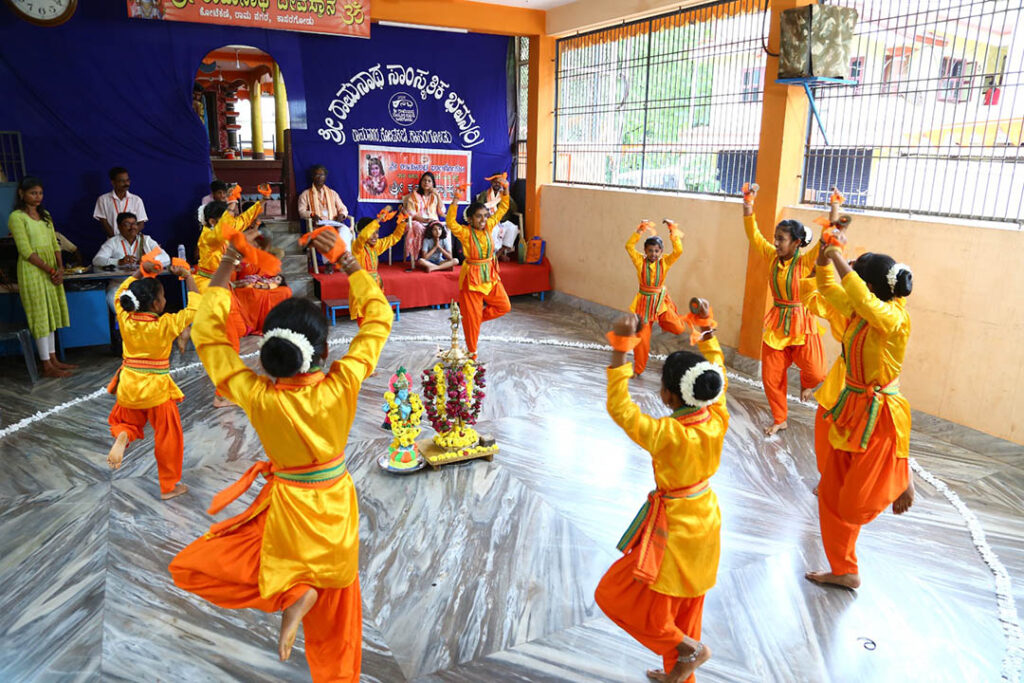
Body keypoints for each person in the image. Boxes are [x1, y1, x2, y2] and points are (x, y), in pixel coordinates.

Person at [169, 230, 393, 682]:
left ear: (268, 351)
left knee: (273, 563)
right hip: (332, 495)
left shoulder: (254, 394)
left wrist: (228, 263)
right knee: (339, 585)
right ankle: (327, 644)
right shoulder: (342, 382)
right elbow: (378, 321)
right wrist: (348, 262)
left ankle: (296, 589)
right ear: (324, 352)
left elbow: (211, 338)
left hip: (288, 500)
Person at [595, 301, 725, 683]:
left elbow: (621, 409)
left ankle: (689, 650)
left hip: (677, 531)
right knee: (686, 610)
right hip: (707, 518)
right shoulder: (717, 417)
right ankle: (681, 671)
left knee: (615, 596)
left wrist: (621, 345)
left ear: (668, 396)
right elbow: (719, 372)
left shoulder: (669, 435)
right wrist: (704, 324)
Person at [805, 232, 915, 590]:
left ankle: (900, 476)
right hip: (850, 410)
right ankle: (845, 570)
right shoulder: (859, 309)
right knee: (832, 497)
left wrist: (839, 258)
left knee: (853, 506)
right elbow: (825, 285)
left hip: (881, 417)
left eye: (857, 277)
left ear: (868, 286)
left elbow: (867, 304)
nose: (850, 281)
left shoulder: (894, 318)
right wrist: (825, 257)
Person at [105, 262, 199, 501]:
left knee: (128, 420)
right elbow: (195, 306)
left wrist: (141, 271)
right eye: (163, 296)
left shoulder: (125, 319)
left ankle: (124, 434)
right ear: (157, 304)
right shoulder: (165, 324)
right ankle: (168, 486)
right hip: (157, 391)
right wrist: (188, 275)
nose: (165, 300)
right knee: (169, 437)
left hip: (129, 386)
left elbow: (119, 294)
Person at [742, 185, 825, 436]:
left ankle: (807, 385)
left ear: (797, 243)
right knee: (771, 378)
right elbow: (754, 235)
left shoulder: (805, 261)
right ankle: (780, 418)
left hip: (803, 322)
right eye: (776, 237)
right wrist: (748, 205)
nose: (775, 242)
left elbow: (825, 244)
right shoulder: (772, 256)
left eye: (781, 239)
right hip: (778, 324)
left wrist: (833, 215)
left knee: (817, 372)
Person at [196, 199, 262, 407]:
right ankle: (222, 395)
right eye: (226, 218)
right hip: (212, 290)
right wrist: (231, 206)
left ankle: (226, 390)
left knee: (233, 338)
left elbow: (240, 222)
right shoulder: (209, 236)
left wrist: (262, 201)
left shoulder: (220, 234)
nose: (231, 222)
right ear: (213, 221)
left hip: (222, 287)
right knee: (228, 342)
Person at [8, 176, 75, 378]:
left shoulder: (45, 215)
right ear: (22, 193)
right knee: (40, 317)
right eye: (33, 193)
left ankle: (54, 360)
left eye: (40, 193)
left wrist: (60, 268)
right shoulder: (17, 217)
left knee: (51, 314)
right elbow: (26, 251)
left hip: (52, 270)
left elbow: (55, 244)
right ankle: (46, 364)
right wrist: (50, 270)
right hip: (33, 270)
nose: (37, 197)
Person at [445, 179, 512, 356]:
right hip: (472, 279)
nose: (483, 219)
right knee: (471, 319)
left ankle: (473, 320)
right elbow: (451, 222)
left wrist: (505, 189)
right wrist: (455, 200)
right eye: (478, 216)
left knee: (504, 306)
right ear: (470, 219)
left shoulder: (489, 226)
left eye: (485, 215)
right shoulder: (466, 233)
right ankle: (472, 354)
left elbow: (503, 208)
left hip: (490, 275)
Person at [626, 219, 687, 378]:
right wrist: (640, 230)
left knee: (679, 328)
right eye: (650, 250)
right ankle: (638, 370)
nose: (653, 254)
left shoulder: (665, 262)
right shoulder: (640, 261)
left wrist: (672, 229)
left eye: (656, 251)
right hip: (643, 306)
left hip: (661, 304)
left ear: (661, 252)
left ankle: (663, 321)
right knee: (642, 340)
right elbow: (629, 246)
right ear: (645, 251)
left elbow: (678, 251)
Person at [93, 212, 170, 310]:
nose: (132, 227)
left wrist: (148, 260)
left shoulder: (146, 240)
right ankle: (126, 323)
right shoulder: (113, 242)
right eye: (127, 224)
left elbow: (166, 258)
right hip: (120, 284)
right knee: (112, 297)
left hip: (143, 283)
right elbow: (97, 260)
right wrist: (118, 261)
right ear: (119, 227)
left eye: (134, 224)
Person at [349, 207, 406, 326]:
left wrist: (402, 221)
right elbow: (363, 237)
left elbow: (393, 238)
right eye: (372, 233)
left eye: (377, 233)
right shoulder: (357, 247)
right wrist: (379, 219)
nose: (375, 236)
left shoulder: (376, 246)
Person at [403, 171, 445, 267]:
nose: (426, 182)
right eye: (424, 180)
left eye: (429, 181)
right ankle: (422, 255)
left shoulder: (434, 196)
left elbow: (442, 210)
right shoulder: (414, 195)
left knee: (439, 228)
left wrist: (438, 196)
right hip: (418, 221)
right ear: (421, 182)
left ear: (433, 184)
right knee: (418, 227)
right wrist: (423, 220)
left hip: (432, 222)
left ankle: (436, 257)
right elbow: (410, 213)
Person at [94, 167, 148, 238]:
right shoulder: (103, 200)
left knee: (156, 249)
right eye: (122, 181)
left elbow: (141, 223)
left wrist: (130, 236)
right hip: (113, 241)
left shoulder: (136, 200)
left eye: (127, 180)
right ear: (113, 182)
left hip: (133, 240)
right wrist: (116, 240)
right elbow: (104, 223)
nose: (126, 183)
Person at [475, 175, 519, 262]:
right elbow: (478, 208)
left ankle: (499, 253)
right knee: (494, 230)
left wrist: (507, 197)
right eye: (495, 182)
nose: (497, 184)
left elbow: (514, 209)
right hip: (490, 221)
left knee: (513, 228)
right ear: (491, 182)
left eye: (499, 182)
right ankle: (493, 255)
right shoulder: (484, 194)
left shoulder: (505, 195)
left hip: (503, 221)